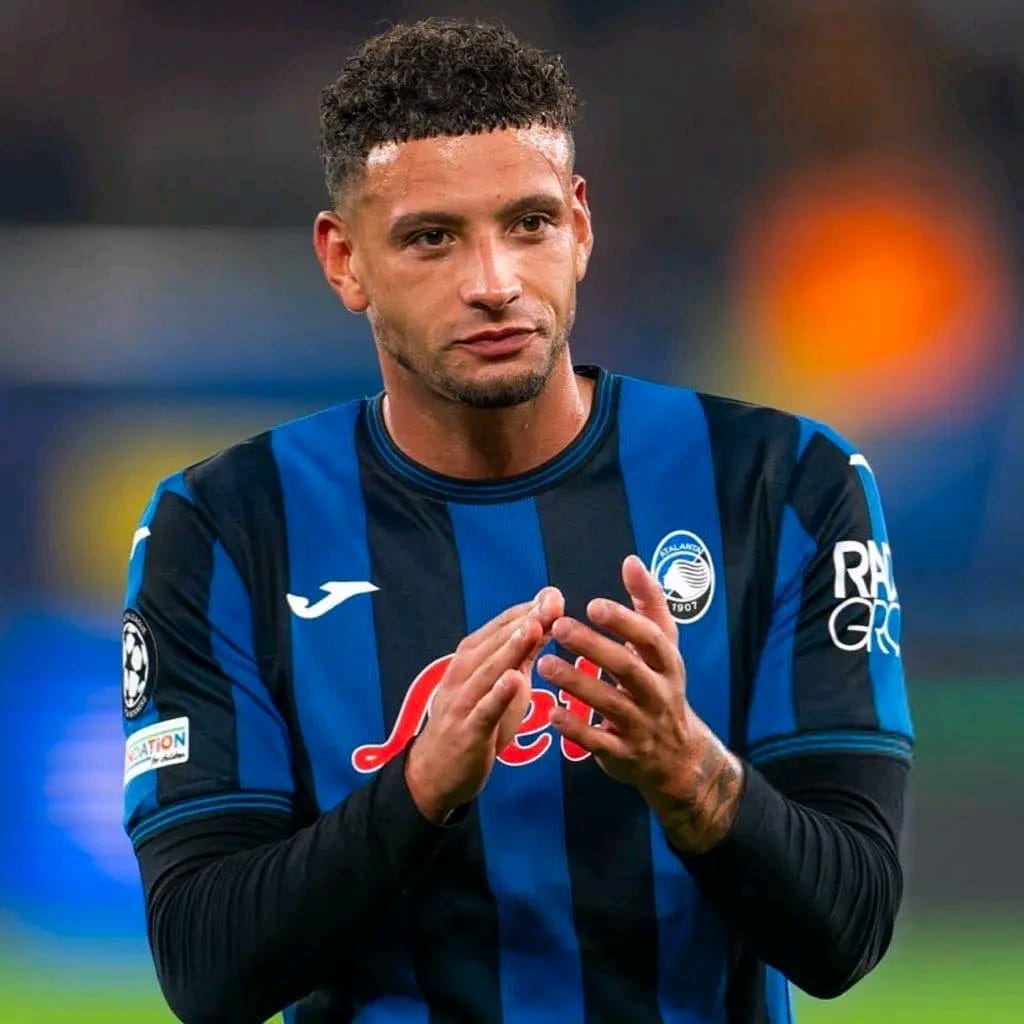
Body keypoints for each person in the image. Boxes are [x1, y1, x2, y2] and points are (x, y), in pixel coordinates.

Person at [121, 18, 913, 1024]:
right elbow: (205, 968)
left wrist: (687, 771)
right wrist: (419, 789)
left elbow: (847, 932)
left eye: (529, 223)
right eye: (431, 238)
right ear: (344, 260)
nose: (494, 283)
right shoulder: (224, 527)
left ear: (579, 226)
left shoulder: (785, 483)